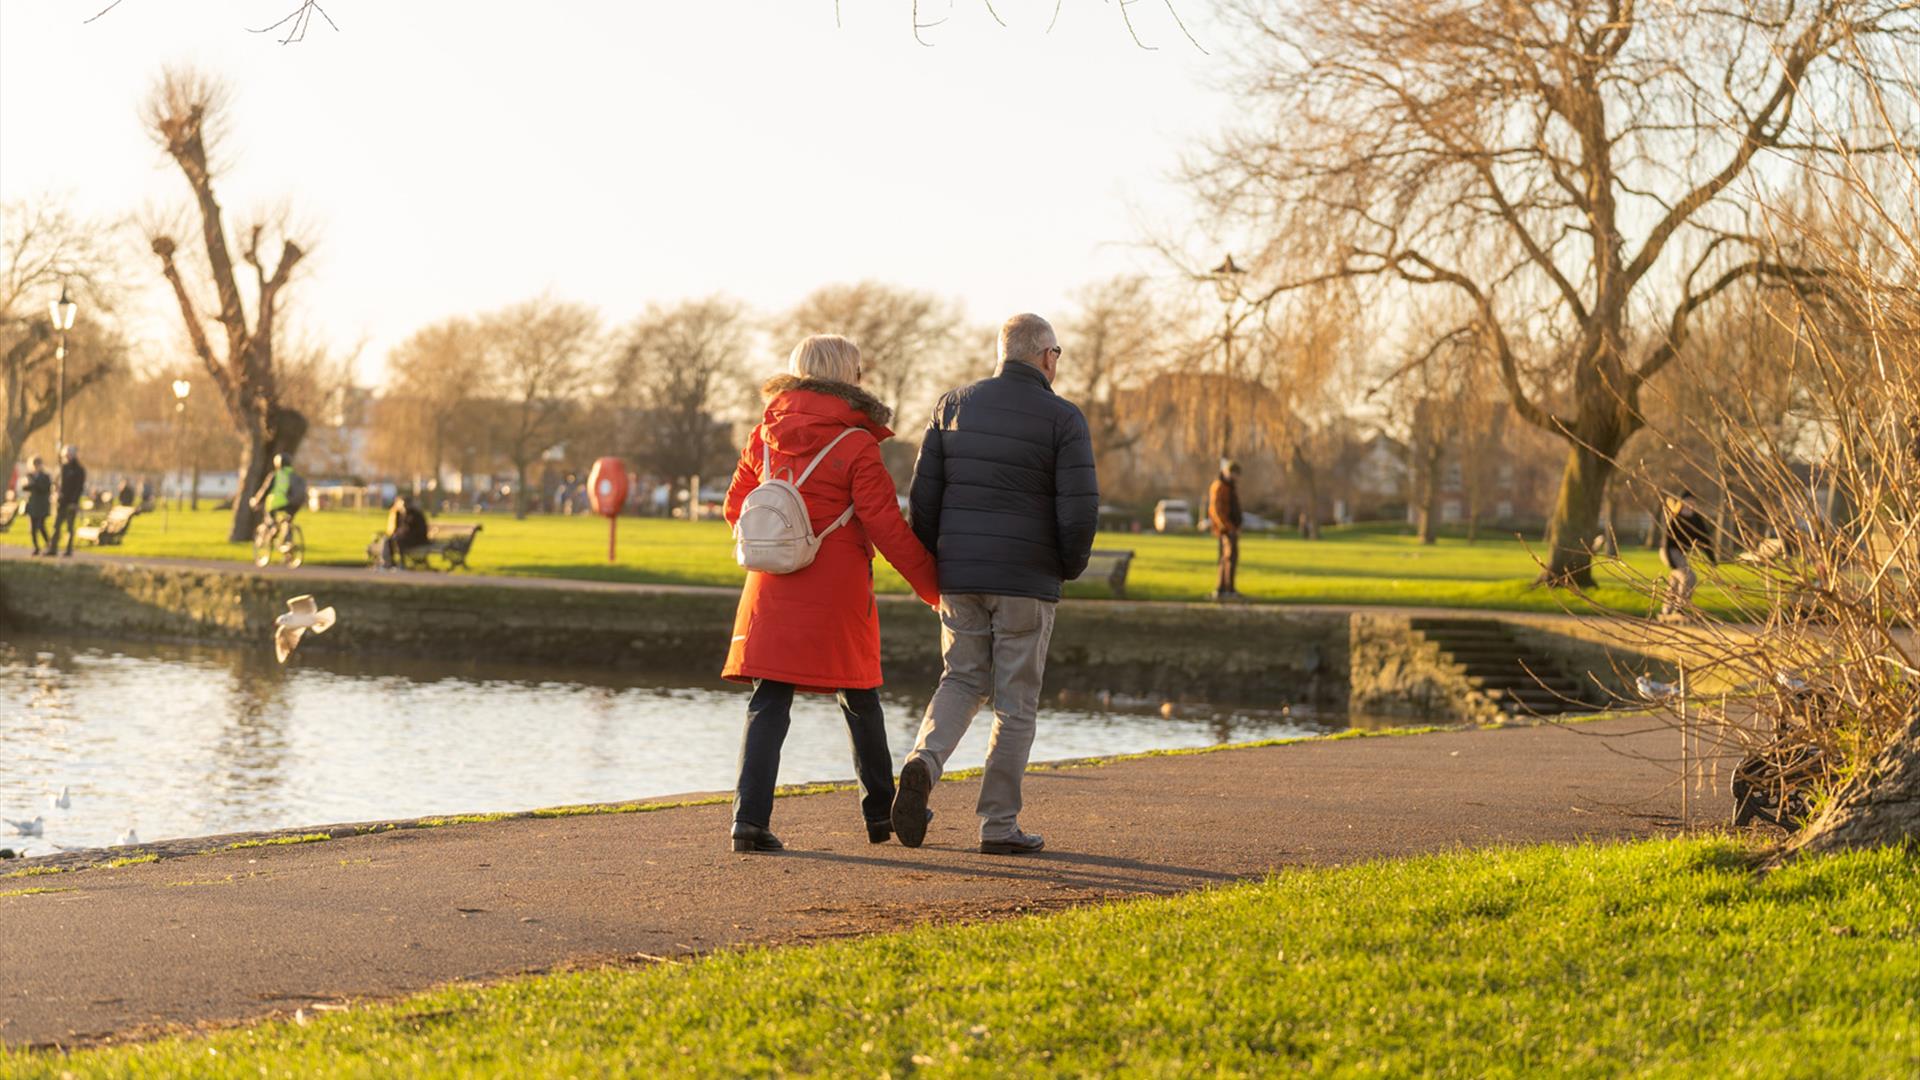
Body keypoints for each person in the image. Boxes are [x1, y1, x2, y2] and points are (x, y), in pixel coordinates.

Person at [721, 334, 941, 854]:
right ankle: (879, 816)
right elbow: (886, 526)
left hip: (772, 588)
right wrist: (932, 586)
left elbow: (736, 510)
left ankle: (748, 820)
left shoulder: (762, 437)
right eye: (859, 370)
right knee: (860, 696)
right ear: (847, 376)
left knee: (767, 700)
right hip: (838, 589)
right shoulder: (856, 444)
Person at [891, 313, 1099, 855]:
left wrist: (942, 562)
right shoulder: (1063, 418)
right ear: (1046, 356)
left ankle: (922, 762)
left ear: (1001, 353)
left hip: (960, 576)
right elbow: (1079, 510)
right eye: (1058, 353)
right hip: (1025, 581)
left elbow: (924, 500)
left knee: (959, 680)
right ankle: (998, 825)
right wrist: (1067, 566)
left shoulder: (950, 407)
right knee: (1015, 703)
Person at [1659, 490, 1714, 620]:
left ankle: (1667, 608)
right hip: (1669, 551)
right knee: (1689, 576)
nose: (1690, 506)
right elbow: (1667, 541)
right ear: (1682, 503)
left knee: (1676, 579)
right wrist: (1671, 561)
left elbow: (1704, 539)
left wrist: (1712, 559)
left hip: (1682, 554)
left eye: (1693, 503)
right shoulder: (1675, 518)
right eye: (1688, 503)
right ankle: (1680, 607)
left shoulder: (1696, 519)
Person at [1208, 458, 1245, 601]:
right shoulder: (1220, 486)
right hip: (1226, 529)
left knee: (1230, 558)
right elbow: (1217, 510)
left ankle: (1227, 588)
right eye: (1234, 474)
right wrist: (1228, 527)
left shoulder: (1230, 486)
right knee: (1228, 558)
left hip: (1232, 528)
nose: (1235, 477)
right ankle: (1224, 589)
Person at [249, 453, 303, 546]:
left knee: (271, 520)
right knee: (287, 522)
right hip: (296, 504)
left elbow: (265, 490)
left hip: (278, 503)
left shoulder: (276, 475)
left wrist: (256, 501)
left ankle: (273, 531)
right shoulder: (294, 475)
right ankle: (288, 543)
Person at [377, 493, 429, 569]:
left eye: (404, 504)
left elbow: (413, 530)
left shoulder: (414, 514)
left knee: (398, 540)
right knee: (388, 540)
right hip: (405, 537)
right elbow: (399, 529)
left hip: (418, 539)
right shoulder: (401, 514)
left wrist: (399, 535)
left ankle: (402, 563)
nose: (402, 506)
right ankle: (388, 563)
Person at [52, 446, 86, 557]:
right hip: (61, 502)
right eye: (65, 454)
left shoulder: (79, 470)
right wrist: (56, 492)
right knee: (56, 526)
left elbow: (79, 488)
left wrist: (74, 502)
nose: (66, 456)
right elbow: (56, 483)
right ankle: (53, 548)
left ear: (73, 455)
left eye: (68, 454)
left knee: (69, 527)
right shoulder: (63, 468)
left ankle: (68, 550)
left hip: (71, 503)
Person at [22, 456, 52, 556]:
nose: (36, 467)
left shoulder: (45, 476)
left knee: (40, 526)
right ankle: (36, 548)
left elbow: (45, 488)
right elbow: (25, 487)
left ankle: (49, 543)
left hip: (42, 505)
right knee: (32, 528)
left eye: (37, 464)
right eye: (34, 465)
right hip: (32, 504)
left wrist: (34, 483)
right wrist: (31, 484)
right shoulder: (29, 475)